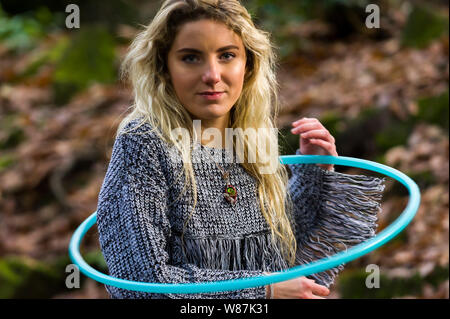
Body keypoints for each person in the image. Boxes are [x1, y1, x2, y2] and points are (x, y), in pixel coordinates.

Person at [96, 0, 385, 299]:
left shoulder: (249, 137)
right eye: (191, 58)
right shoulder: (144, 142)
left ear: (248, 65)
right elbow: (142, 283)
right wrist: (263, 290)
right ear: (164, 68)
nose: (212, 74)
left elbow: (280, 245)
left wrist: (315, 170)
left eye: (227, 55)